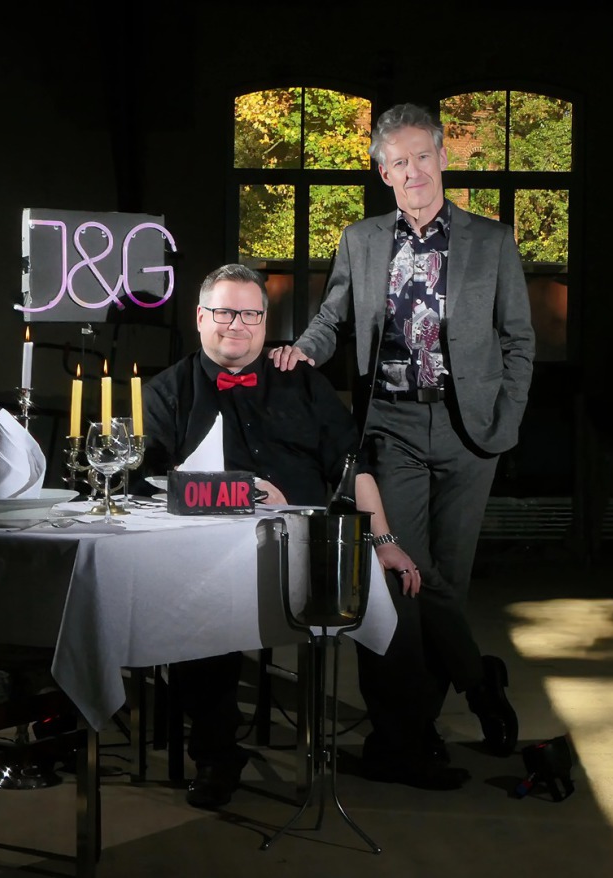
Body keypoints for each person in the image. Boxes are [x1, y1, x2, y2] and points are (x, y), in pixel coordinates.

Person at [140, 262, 473, 810]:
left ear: (264, 320)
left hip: (312, 543)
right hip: (214, 551)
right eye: (224, 313)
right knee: (195, 604)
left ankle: (398, 747)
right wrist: (243, 492)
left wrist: (383, 541)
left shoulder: (301, 380)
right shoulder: (166, 391)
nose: (237, 325)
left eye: (250, 314)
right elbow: (154, 485)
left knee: (396, 590)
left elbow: (352, 465)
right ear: (200, 317)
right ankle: (217, 755)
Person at [271, 103, 535, 774]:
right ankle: (453, 697)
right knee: (399, 575)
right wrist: (303, 350)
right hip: (389, 424)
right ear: (382, 172)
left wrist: (505, 420)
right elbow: (332, 318)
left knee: (447, 580)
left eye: (422, 156)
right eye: (398, 161)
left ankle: (414, 730)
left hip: (469, 429)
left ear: (443, 158)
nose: (412, 171)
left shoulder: (492, 240)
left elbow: (518, 339)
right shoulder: (360, 241)